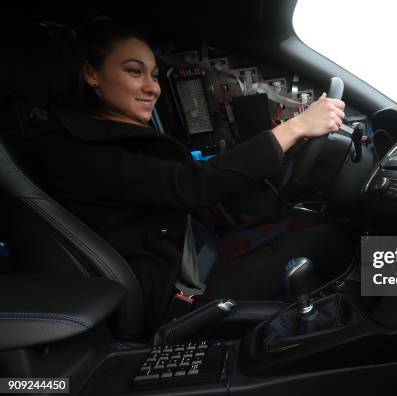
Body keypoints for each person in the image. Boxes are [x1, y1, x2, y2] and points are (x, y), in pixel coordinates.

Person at [14, 21, 353, 332]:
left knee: (308, 224)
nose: (152, 88)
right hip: (180, 295)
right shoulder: (76, 152)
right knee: (330, 236)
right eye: (135, 72)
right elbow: (191, 186)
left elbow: (189, 179)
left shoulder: (105, 136)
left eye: (155, 75)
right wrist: (295, 127)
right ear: (92, 74)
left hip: (198, 259)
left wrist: (288, 142)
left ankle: (387, 304)